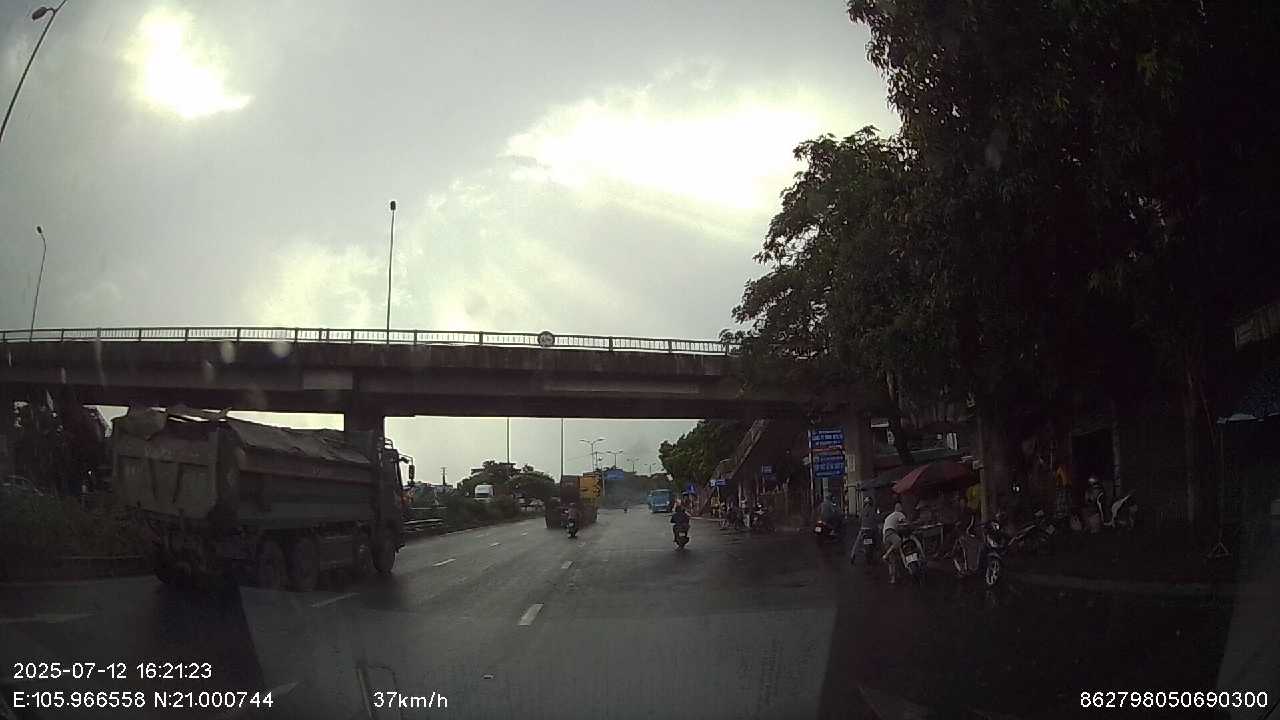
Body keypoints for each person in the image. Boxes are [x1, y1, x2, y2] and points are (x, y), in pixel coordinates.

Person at [881, 501, 909, 584]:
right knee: (898, 541)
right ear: (899, 508)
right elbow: (905, 523)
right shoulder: (899, 514)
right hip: (891, 532)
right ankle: (886, 555)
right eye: (901, 507)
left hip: (885, 536)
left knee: (892, 558)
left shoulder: (890, 516)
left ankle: (893, 579)